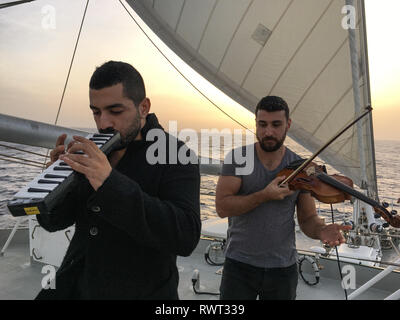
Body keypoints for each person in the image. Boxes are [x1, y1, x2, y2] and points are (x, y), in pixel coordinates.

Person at [35, 61, 201, 299]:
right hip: (77, 287)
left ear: (143, 107)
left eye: (115, 111)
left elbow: (185, 236)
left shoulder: (176, 155)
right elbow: (54, 223)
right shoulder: (93, 149)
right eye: (96, 112)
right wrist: (54, 184)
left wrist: (109, 183)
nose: (103, 123)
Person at [215, 96, 351, 300]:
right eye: (262, 124)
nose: (268, 132)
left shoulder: (301, 168)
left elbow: (307, 219)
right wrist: (264, 195)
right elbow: (222, 207)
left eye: (276, 124)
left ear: (288, 124)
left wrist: (321, 230)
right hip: (239, 266)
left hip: (282, 269)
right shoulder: (237, 159)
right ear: (256, 123)